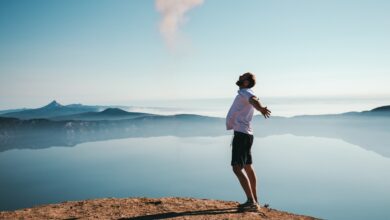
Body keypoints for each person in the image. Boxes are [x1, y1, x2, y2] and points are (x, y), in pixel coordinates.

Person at [226, 72, 271, 211]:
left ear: (246, 82)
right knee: (247, 166)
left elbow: (253, 100)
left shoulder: (246, 92)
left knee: (236, 168)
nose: (239, 77)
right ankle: (255, 200)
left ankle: (251, 202)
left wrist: (261, 108)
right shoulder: (244, 92)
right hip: (245, 134)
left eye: (243, 77)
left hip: (241, 134)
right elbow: (252, 100)